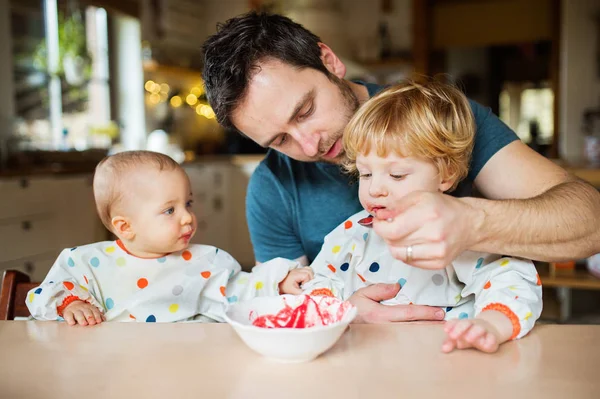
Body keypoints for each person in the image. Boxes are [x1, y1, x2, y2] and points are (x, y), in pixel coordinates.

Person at [201, 12, 600, 323]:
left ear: (329, 61)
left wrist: (474, 222)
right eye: (279, 141)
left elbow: (590, 224)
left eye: (305, 111)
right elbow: (291, 313)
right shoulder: (273, 188)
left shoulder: (437, 120)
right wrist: (346, 315)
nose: (309, 145)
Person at [300, 80, 542, 353]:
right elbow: (319, 281)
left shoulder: (457, 229)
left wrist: (492, 325)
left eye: (397, 175)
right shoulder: (351, 233)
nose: (375, 188)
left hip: (447, 362)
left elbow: (511, 279)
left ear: (446, 174)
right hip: (370, 365)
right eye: (365, 174)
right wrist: (333, 308)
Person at [26, 151, 312, 326]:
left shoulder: (206, 261)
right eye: (169, 210)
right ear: (125, 227)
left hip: (184, 363)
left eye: (188, 204)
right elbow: (46, 294)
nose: (187, 217)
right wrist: (72, 305)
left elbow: (241, 290)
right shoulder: (86, 262)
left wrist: (279, 282)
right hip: (112, 367)